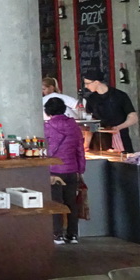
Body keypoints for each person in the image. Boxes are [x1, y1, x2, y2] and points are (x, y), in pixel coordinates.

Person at [44, 97, 86, 244]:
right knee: (71, 203)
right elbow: (80, 149)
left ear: (47, 111)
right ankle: (72, 235)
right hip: (71, 169)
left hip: (54, 170)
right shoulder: (74, 126)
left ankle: (57, 235)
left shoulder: (47, 127)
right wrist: (80, 169)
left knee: (56, 203)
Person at [82, 68, 138, 152]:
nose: (86, 86)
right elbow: (91, 122)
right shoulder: (91, 98)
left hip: (120, 137)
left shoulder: (120, 96)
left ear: (96, 82)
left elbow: (133, 117)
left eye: (87, 83)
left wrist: (119, 127)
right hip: (100, 140)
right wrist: (86, 145)